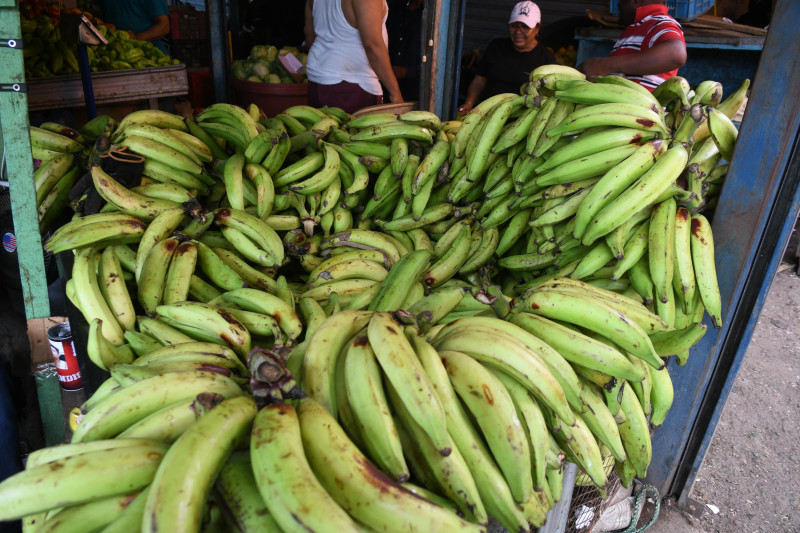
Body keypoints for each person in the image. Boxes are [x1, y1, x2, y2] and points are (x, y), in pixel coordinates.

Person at [304, 0, 404, 114]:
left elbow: (309, 37)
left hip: (317, 78)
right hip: (351, 85)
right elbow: (372, 45)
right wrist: (395, 94)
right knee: (351, 131)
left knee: (323, 130)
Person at [457, 1, 555, 116]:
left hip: (521, 120)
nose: (518, 32)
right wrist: (469, 103)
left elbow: (546, 97)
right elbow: (479, 81)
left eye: (525, 27)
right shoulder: (496, 47)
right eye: (514, 26)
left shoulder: (546, 59)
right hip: (488, 113)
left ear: (537, 28)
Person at [577, 0, 687, 91]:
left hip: (641, 112)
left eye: (621, 1)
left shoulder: (659, 22)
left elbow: (675, 53)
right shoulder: (637, 28)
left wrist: (605, 65)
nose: (618, 4)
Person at [93, 0, 171, 55]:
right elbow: (98, 15)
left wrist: (133, 39)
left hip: (150, 54)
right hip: (114, 54)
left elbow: (164, 26)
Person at [386, 0, 423, 102]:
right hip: (386, 81)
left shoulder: (431, 15)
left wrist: (408, 72)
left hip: (414, 88)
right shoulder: (394, 8)